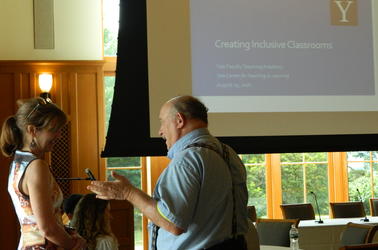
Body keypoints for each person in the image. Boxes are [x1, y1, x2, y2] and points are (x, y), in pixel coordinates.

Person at [88, 95, 249, 249]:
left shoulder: (188, 158)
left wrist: (128, 193)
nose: (160, 131)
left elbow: (172, 222)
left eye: (163, 122)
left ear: (179, 120)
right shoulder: (229, 153)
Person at [0, 97, 86, 250]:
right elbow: (47, 228)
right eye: (54, 130)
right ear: (32, 130)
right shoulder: (36, 166)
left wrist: (71, 234)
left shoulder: (18, 163)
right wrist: (74, 246)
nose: (59, 136)